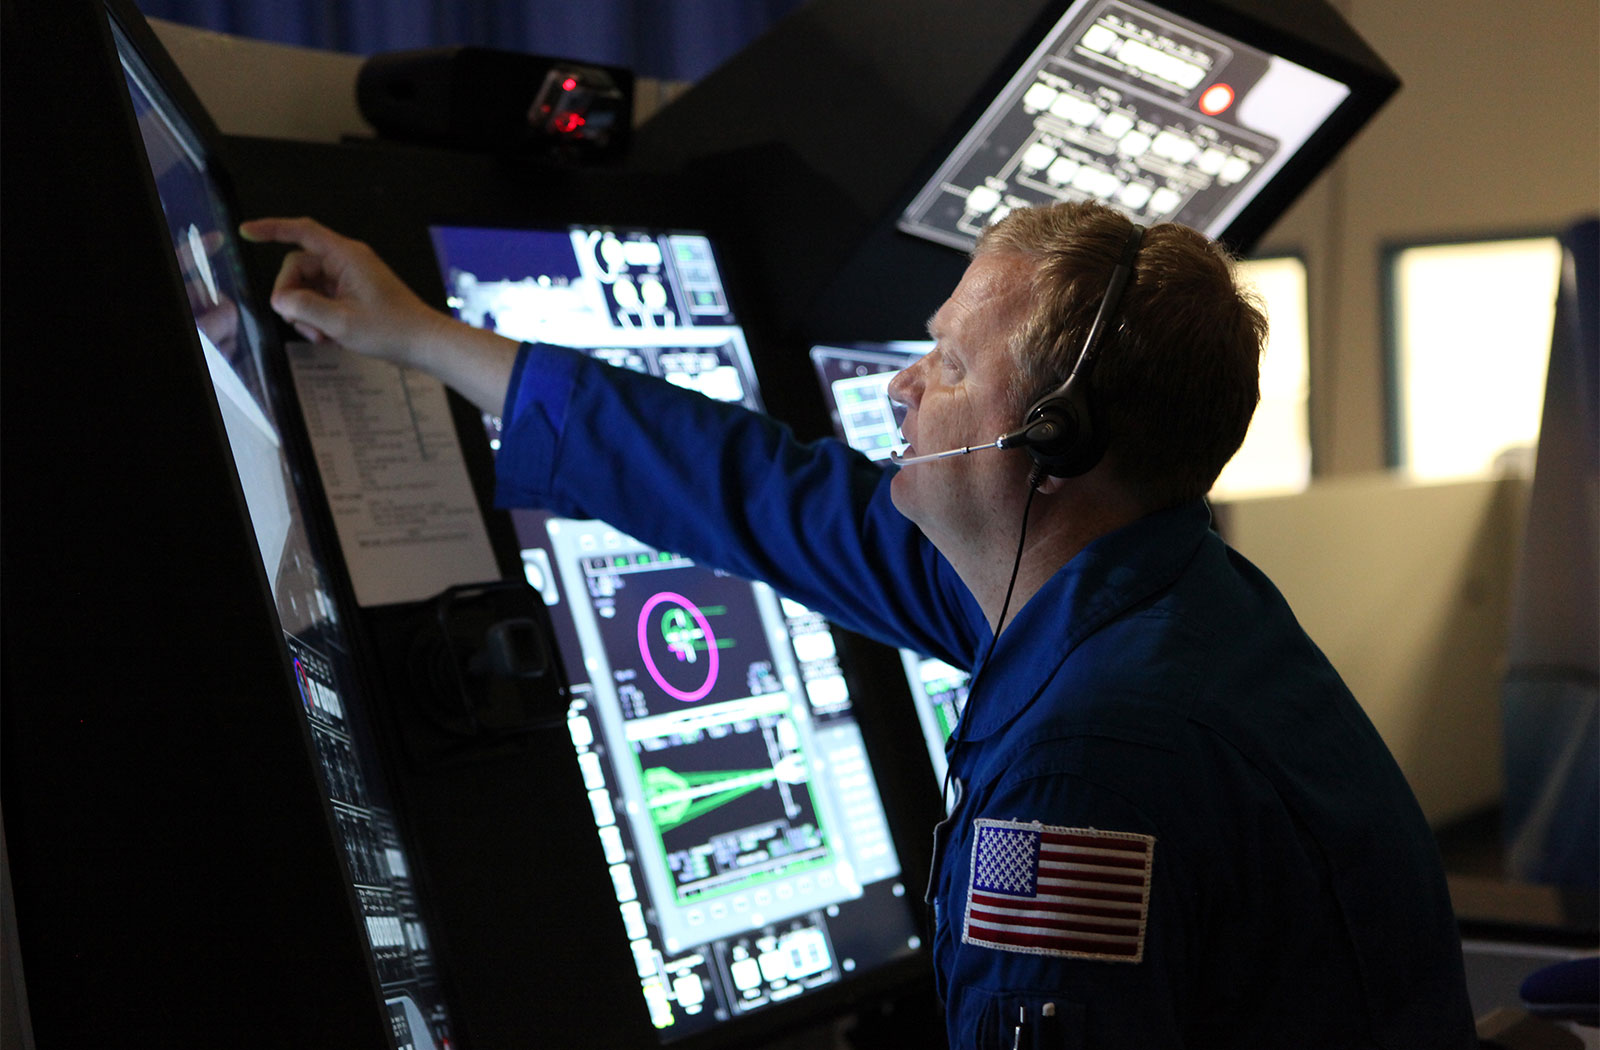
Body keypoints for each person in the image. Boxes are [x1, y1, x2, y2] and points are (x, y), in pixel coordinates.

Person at [240, 203, 1477, 1047]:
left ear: (1052, 442)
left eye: (943, 363)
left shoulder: (1091, 761)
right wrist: (422, 337)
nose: (899, 384)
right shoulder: (1134, 587)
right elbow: (762, 497)